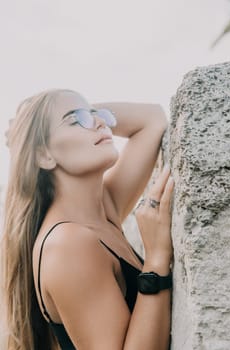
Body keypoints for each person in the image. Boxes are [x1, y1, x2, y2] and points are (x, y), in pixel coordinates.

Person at [1, 88, 175, 350]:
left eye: (99, 115)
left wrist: (78, 112)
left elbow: (152, 119)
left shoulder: (105, 207)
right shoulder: (67, 244)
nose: (101, 122)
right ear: (44, 156)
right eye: (75, 120)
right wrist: (157, 259)